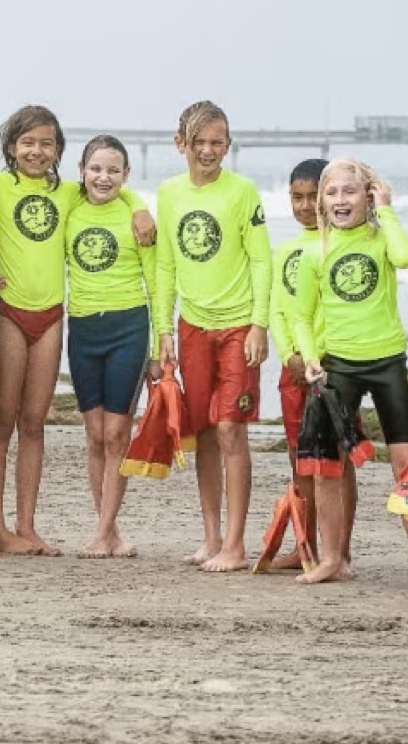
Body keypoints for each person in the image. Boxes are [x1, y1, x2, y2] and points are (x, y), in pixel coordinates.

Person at [0, 105, 153, 555]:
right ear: (11, 147)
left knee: (34, 423)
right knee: (1, 423)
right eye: (27, 143)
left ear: (58, 151)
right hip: (9, 311)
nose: (36, 151)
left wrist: (140, 206)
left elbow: (108, 190)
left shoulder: (68, 193)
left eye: (46, 143)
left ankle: (26, 526)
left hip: (52, 317)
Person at [294, 158, 408, 586]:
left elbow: (406, 257)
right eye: (331, 193)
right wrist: (310, 356)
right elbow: (301, 315)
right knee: (328, 463)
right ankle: (332, 558)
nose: (340, 200)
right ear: (321, 202)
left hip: (388, 362)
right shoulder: (317, 251)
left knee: (404, 461)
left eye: (349, 191)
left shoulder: (381, 238)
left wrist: (386, 209)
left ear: (367, 196)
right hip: (340, 366)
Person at [154, 101, 271, 573]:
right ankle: (212, 536)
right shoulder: (168, 193)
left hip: (239, 324)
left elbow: (262, 260)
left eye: (217, 142)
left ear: (228, 144)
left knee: (229, 429)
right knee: (202, 430)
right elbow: (164, 264)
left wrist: (261, 324)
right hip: (192, 326)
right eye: (198, 142)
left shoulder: (243, 192)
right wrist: (163, 327)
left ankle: (237, 544)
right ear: (180, 143)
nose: (208, 151)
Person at [65, 136, 158, 558]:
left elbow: (156, 283)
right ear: (81, 170)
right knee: (93, 436)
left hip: (129, 326)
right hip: (82, 328)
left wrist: (159, 345)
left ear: (126, 175)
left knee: (117, 431)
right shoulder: (68, 206)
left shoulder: (137, 216)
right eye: (96, 169)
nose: (104, 178)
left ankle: (102, 532)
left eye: (114, 171)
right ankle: (111, 529)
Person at [265, 157, 359, 570]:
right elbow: (277, 310)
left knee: (336, 459)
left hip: (334, 368)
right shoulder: (285, 248)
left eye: (311, 196)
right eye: (296, 197)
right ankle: (307, 546)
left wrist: (319, 357)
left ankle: (340, 549)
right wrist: (289, 355)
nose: (304, 206)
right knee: (298, 456)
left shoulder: (341, 246)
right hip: (294, 369)